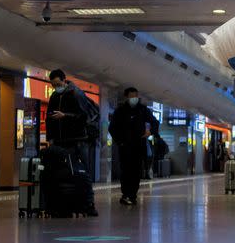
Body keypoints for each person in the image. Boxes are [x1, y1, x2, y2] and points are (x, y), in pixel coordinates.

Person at [46, 69, 99, 216]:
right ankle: (66, 205)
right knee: (63, 173)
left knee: (82, 172)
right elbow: (49, 118)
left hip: (78, 140)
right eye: (53, 85)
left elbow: (84, 116)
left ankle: (89, 204)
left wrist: (65, 116)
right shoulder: (54, 96)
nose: (56, 87)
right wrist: (50, 138)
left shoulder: (76, 93)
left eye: (58, 84)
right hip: (60, 141)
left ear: (64, 80)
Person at [108, 87, 159, 206]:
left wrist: (150, 132)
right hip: (124, 147)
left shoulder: (143, 109)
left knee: (136, 172)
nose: (134, 99)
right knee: (126, 171)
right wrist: (120, 141)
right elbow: (112, 128)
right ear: (126, 97)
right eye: (131, 96)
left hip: (138, 146)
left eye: (136, 96)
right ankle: (125, 194)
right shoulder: (120, 111)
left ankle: (132, 195)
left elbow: (155, 122)